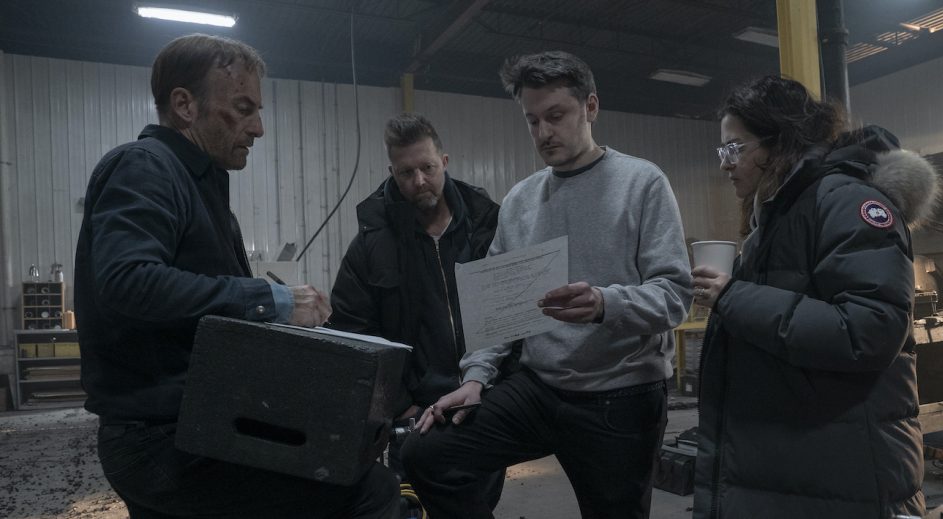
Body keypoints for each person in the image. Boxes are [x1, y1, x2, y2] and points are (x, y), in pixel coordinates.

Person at [74, 34, 398, 519]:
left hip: (188, 422)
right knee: (364, 487)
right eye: (243, 108)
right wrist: (273, 299)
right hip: (161, 436)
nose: (259, 128)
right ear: (184, 105)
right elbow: (128, 282)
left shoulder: (199, 183)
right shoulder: (144, 167)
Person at [401, 50, 692, 519]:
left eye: (556, 116)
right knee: (427, 455)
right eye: (532, 121)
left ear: (591, 107)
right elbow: (497, 308)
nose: (543, 133)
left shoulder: (642, 184)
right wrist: (476, 377)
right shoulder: (521, 201)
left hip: (619, 394)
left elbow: (675, 296)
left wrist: (604, 303)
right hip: (540, 388)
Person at [691, 75, 935, 518]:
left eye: (735, 148)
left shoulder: (846, 202)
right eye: (721, 151)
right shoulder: (780, 212)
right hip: (805, 460)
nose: (725, 164)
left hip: (847, 470)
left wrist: (733, 297)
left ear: (777, 143)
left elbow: (869, 330)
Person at [327, 113, 504, 504]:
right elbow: (353, 333)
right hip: (417, 416)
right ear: (391, 172)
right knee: (417, 509)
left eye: (426, 167)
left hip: (480, 400)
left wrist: (494, 385)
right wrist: (400, 405)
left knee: (480, 506)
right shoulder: (371, 247)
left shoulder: (487, 228)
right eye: (406, 173)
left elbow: (509, 310)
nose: (419, 181)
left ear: (444, 160)